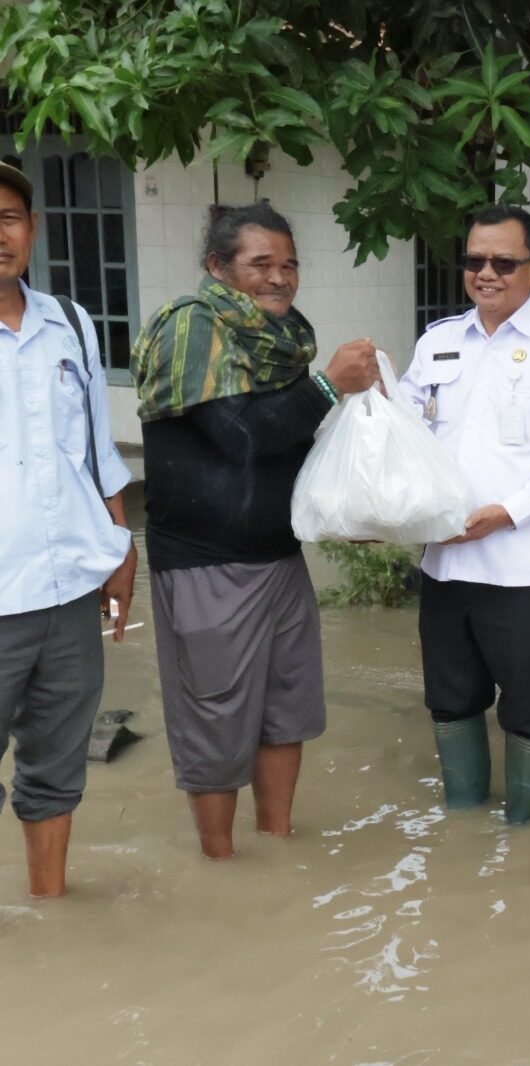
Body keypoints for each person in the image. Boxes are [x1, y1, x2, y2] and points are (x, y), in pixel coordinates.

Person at [131, 203, 378, 860]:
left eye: (289, 264)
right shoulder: (192, 328)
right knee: (214, 721)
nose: (279, 278)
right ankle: (221, 864)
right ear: (219, 266)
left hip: (279, 560)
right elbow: (241, 437)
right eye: (260, 264)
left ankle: (277, 850)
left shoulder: (283, 340)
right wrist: (329, 386)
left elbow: (290, 445)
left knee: (284, 712)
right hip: (205, 565)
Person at [400, 205, 530, 825]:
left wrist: (508, 513)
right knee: (450, 699)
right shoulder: (437, 342)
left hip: (527, 568)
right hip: (446, 563)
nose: (486, 273)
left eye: (503, 262)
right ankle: (462, 827)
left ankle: (522, 831)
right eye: (474, 260)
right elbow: (404, 432)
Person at [0, 158, 137, 897]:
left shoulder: (72, 325)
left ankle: (48, 910)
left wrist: (121, 547)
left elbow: (95, 453)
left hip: (66, 594)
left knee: (55, 765)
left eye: (9, 217)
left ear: (33, 230)